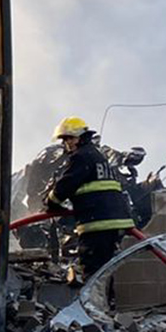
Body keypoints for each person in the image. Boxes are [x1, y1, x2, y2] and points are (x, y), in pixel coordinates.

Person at [42, 116, 136, 280]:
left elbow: (65, 186)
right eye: (64, 140)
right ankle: (107, 302)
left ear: (80, 137)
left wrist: (50, 203)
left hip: (97, 224)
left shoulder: (81, 157)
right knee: (106, 270)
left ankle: (92, 305)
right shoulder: (98, 157)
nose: (67, 143)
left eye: (69, 138)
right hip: (116, 222)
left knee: (92, 271)